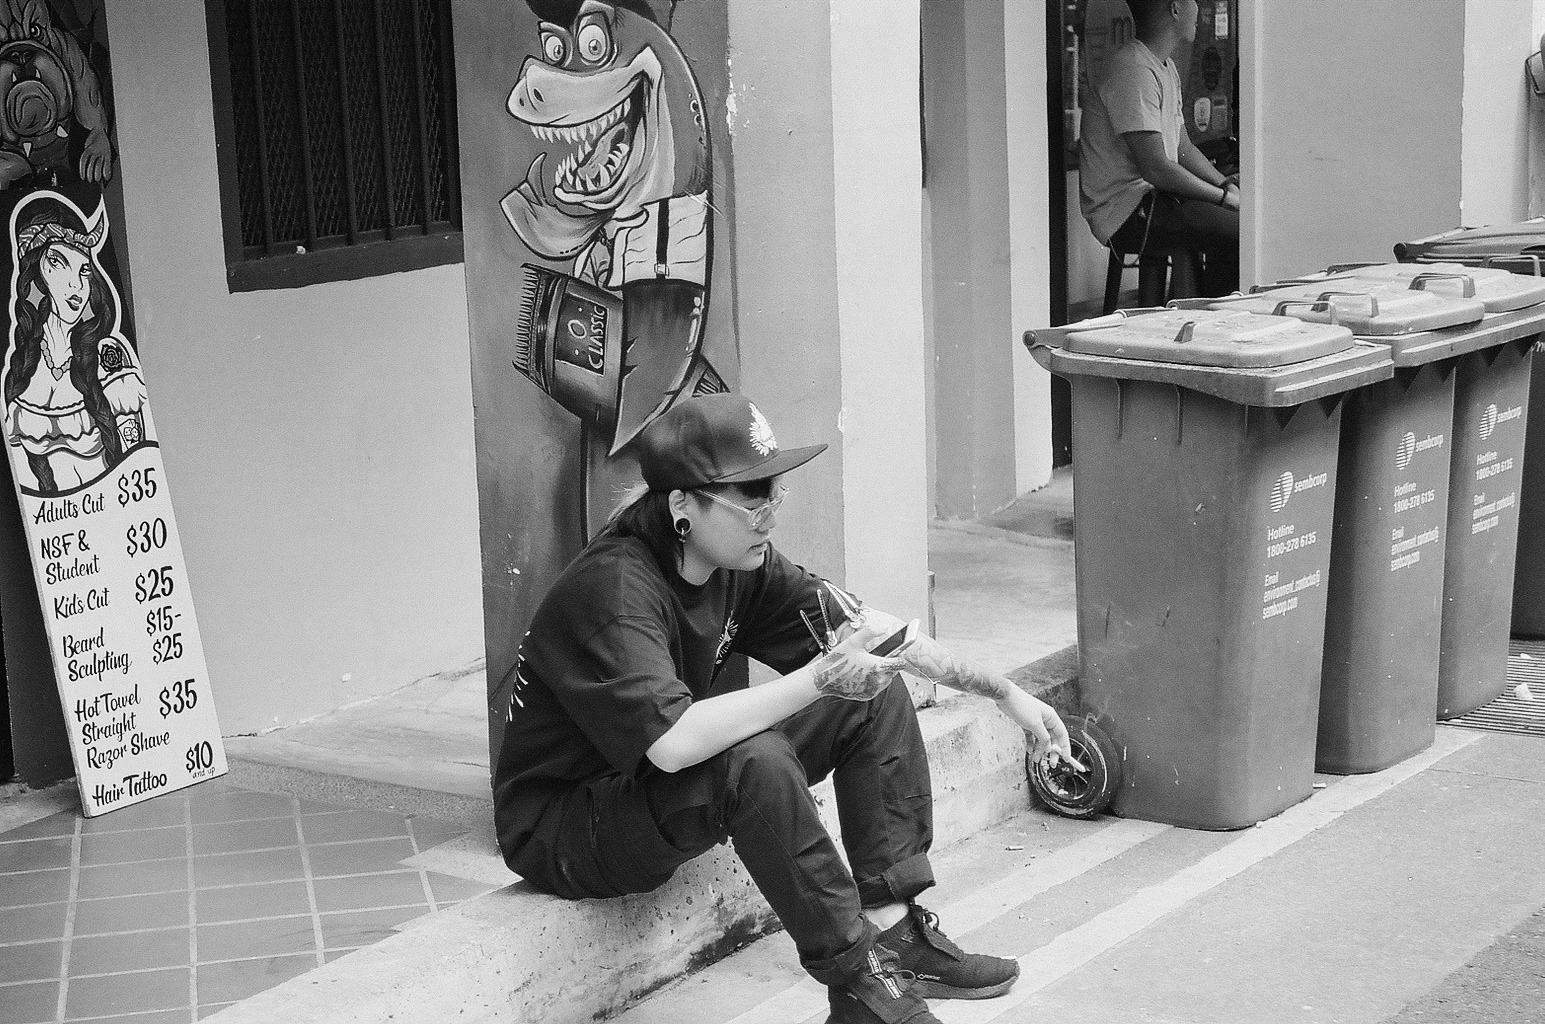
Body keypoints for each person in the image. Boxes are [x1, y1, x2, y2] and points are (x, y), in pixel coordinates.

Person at [492, 392, 1074, 1024]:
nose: (769, 518)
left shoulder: (739, 562)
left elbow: (875, 636)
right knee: (756, 761)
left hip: (648, 785)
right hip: (566, 825)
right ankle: (858, 989)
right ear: (682, 505)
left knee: (872, 693)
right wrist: (819, 679)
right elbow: (674, 744)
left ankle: (894, 931)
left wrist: (1005, 694)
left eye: (775, 494)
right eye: (751, 501)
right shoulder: (613, 590)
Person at [1079, 0, 1239, 296]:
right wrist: (1222, 198)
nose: (1198, 8)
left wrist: (1226, 185)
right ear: (1175, 9)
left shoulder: (1164, 66)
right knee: (1241, 231)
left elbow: (1182, 148)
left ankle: (1204, 307)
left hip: (1154, 196)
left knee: (1240, 222)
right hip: (1124, 211)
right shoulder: (1133, 69)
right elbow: (1155, 168)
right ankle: (1209, 315)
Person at [2, 196, 146, 494]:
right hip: (49, 520)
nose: (76, 285)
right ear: (34, 269)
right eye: (58, 262)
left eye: (83, 270)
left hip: (116, 512)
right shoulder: (22, 363)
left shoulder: (107, 355)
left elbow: (139, 465)